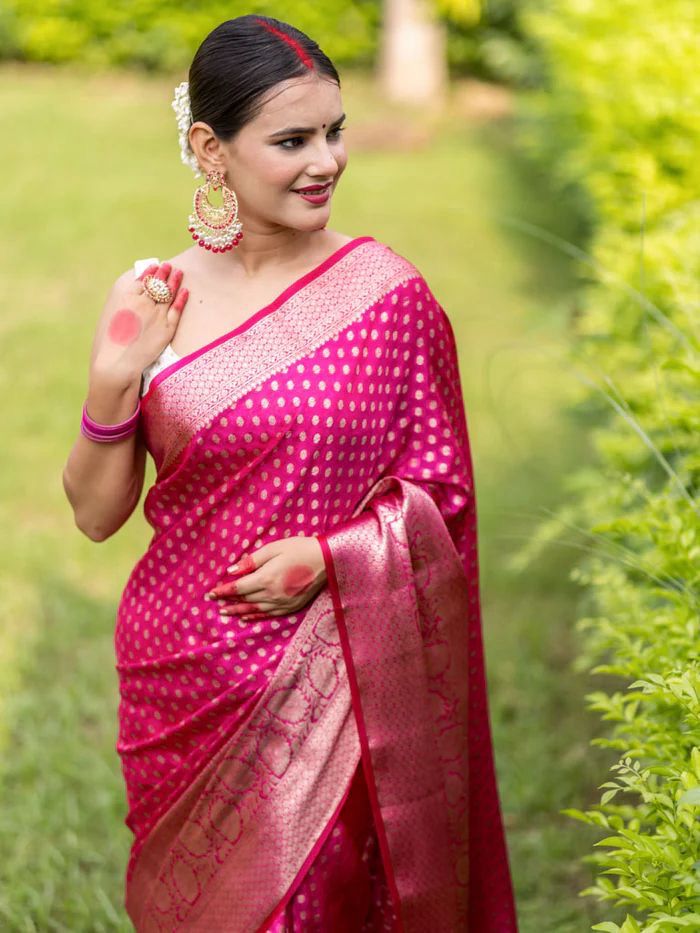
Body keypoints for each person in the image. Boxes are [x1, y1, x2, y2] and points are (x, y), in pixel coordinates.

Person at [62, 14, 517, 932]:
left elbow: (445, 497)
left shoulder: (387, 297)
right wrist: (114, 380)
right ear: (210, 148)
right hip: (179, 671)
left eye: (335, 131)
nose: (327, 161)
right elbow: (96, 513)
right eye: (292, 139)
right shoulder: (156, 300)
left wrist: (333, 555)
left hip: (337, 670)